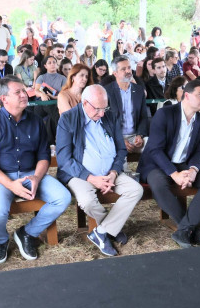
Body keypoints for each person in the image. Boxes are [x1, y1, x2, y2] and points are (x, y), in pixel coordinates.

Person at [0, 77, 70, 263]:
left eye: (23, 90)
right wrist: (11, 185)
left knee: (63, 198)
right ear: (4, 99)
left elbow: (44, 156)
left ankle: (27, 233)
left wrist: (36, 177)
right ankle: (1, 241)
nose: (24, 95)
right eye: (17, 92)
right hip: (1, 177)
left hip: (31, 173)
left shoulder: (36, 121)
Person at [56, 85, 143, 256]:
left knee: (135, 190)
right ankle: (111, 228)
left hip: (110, 172)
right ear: (85, 103)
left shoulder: (110, 117)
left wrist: (114, 172)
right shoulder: (68, 119)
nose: (102, 113)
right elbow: (64, 159)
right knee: (87, 201)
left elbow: (121, 150)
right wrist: (91, 178)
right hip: (80, 174)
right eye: (97, 109)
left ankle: (101, 232)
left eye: (105, 108)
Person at [138, 78, 200, 248]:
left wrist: (194, 170)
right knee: (159, 185)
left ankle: (184, 229)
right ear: (187, 96)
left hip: (184, 163)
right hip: (157, 163)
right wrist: (174, 175)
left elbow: (199, 151)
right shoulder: (165, 114)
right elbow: (155, 150)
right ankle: (192, 229)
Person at [105, 56, 148, 154]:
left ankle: (145, 169)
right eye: (123, 69)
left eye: (129, 67)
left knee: (151, 145)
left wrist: (140, 135)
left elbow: (143, 116)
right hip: (115, 137)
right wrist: (119, 140)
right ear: (115, 73)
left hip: (135, 136)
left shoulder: (139, 90)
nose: (128, 71)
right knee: (118, 158)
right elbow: (105, 121)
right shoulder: (107, 91)